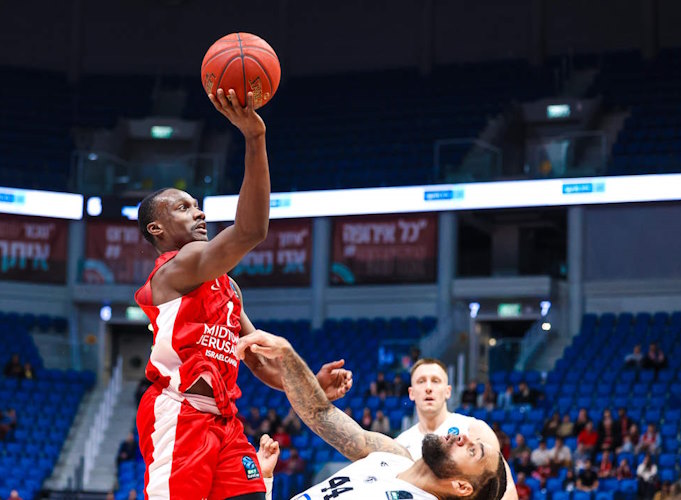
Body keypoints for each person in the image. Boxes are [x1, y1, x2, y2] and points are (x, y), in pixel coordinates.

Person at [134, 87, 353, 500]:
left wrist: (309, 386)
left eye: (197, 204)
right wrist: (255, 138)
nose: (198, 212)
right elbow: (251, 230)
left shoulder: (227, 286)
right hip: (179, 415)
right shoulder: (177, 268)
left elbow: (259, 362)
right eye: (182, 207)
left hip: (225, 422)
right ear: (156, 230)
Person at [237, 330, 508, 500]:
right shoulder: (395, 453)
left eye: (473, 451)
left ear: (462, 487)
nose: (462, 437)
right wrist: (287, 356)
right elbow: (320, 413)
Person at [394, 359, 518, 500]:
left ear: (448, 391)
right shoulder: (399, 443)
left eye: (435, 381)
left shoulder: (475, 430)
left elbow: (505, 490)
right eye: (421, 381)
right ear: (411, 393)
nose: (428, 388)